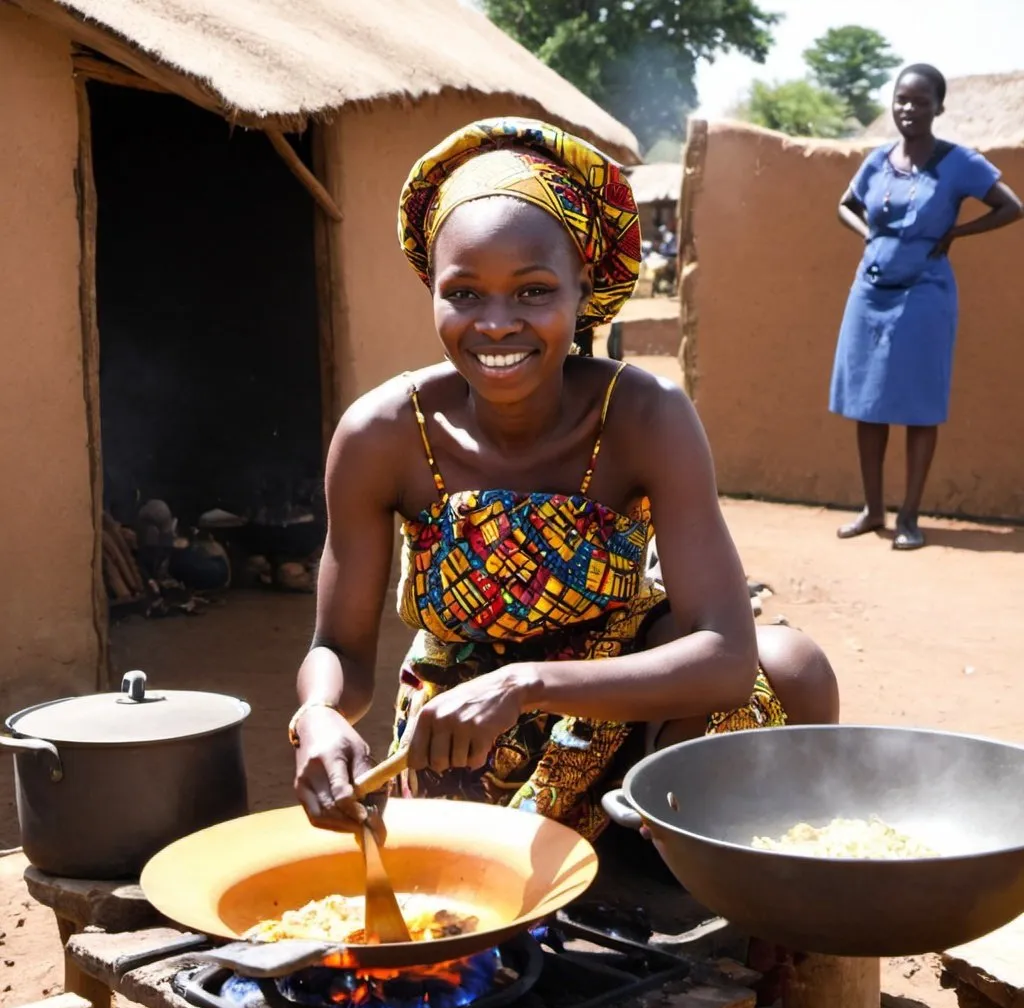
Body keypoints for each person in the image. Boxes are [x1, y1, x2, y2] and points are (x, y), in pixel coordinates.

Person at [290, 118, 839, 841]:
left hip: (627, 704)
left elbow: (728, 657)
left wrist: (525, 686)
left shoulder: (644, 416)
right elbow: (341, 650)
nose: (495, 325)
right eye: (464, 293)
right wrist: (320, 714)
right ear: (431, 288)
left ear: (584, 287)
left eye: (532, 291)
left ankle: (724, 895)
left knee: (791, 668)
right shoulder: (383, 434)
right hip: (466, 738)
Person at [831, 63, 1022, 550]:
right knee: (867, 405)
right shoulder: (876, 161)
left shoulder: (959, 163)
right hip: (869, 293)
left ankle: (910, 517)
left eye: (920, 101)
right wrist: (868, 236)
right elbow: (845, 205)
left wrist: (957, 232)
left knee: (919, 405)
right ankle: (874, 510)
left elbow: (1011, 207)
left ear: (939, 107)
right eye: (901, 99)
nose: (909, 109)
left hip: (924, 295)